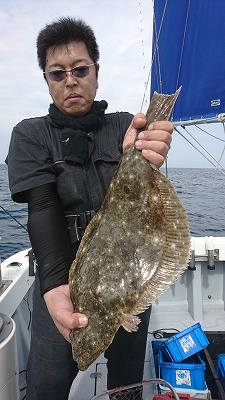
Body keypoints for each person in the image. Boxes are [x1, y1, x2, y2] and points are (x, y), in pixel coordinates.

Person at [6, 17, 173, 400]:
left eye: (80, 69)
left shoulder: (125, 127)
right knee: (48, 380)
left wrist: (148, 152)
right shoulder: (29, 135)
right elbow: (42, 208)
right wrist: (54, 286)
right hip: (62, 277)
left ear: (96, 71)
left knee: (128, 377)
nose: (70, 80)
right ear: (46, 79)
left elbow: (145, 199)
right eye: (57, 73)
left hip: (130, 277)